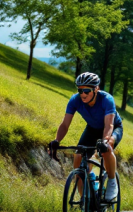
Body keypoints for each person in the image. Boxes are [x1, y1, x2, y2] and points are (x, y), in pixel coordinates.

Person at [48, 72, 123, 201]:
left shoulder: (107, 99)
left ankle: (112, 182)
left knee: (107, 148)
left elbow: (109, 125)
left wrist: (105, 141)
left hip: (113, 128)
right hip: (92, 129)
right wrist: (56, 140)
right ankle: (86, 199)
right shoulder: (75, 100)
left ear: (96, 89)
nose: (83, 94)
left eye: (87, 90)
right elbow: (65, 124)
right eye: (80, 90)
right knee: (78, 157)